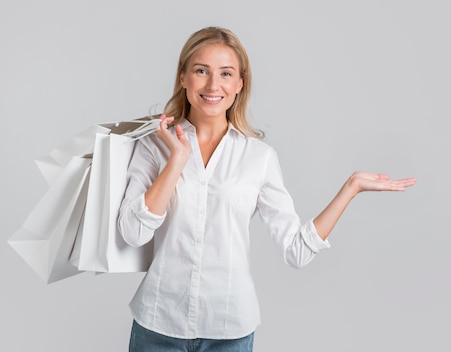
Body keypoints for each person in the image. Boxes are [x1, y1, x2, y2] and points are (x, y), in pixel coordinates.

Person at [118, 26, 416, 352]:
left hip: (229, 329)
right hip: (158, 324)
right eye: (201, 71)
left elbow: (296, 250)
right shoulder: (152, 146)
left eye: (226, 74)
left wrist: (351, 187)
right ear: (183, 77)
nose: (213, 85)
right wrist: (176, 160)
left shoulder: (259, 158)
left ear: (239, 84)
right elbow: (133, 233)